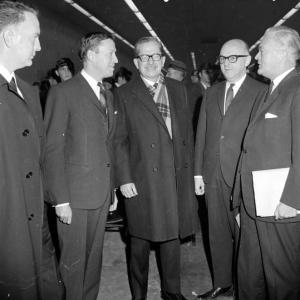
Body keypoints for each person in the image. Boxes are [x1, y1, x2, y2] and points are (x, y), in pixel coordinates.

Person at [114, 36, 197, 300]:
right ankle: (139, 295)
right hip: (142, 178)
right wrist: (124, 178)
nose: (151, 61)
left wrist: (192, 172)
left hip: (174, 175)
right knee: (139, 241)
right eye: (145, 57)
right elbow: (119, 141)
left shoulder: (177, 88)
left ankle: (172, 292)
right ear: (136, 62)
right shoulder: (124, 93)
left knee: (171, 237)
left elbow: (187, 135)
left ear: (162, 60)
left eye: (155, 56)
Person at [44, 31, 118, 300]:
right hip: (73, 199)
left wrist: (112, 190)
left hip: (99, 195)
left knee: (93, 265)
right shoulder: (63, 93)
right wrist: (60, 200)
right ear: (91, 55)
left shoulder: (107, 95)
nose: (115, 59)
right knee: (73, 269)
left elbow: (107, 145)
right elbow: (52, 150)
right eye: (111, 53)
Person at [0, 1, 63, 299]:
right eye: (33, 36)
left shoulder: (27, 90)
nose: (39, 46)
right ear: (10, 37)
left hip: (38, 225)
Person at [194, 39, 266, 299]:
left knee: (246, 238)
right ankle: (222, 282)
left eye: (232, 58)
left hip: (243, 178)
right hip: (213, 176)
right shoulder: (212, 93)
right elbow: (202, 134)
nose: (225, 63)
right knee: (217, 232)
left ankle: (244, 287)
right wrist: (198, 173)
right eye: (222, 59)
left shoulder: (262, 91)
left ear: (247, 60)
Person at [233, 26, 300, 300]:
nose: (257, 56)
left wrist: (293, 200)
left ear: (284, 52)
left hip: (280, 207)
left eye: (263, 49)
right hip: (254, 206)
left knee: (282, 284)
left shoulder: (296, 89)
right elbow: (249, 149)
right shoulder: (269, 91)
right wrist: (239, 201)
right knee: (250, 281)